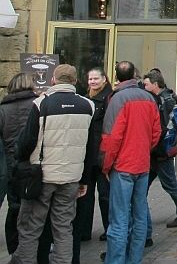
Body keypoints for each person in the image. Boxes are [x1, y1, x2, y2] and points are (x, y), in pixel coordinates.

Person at [11, 64, 94, 264]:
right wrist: (85, 179)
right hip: (71, 177)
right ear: (75, 81)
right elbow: (90, 145)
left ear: (53, 80)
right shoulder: (87, 105)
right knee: (64, 228)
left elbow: (27, 141)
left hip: (42, 176)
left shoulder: (41, 104)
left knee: (31, 227)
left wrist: (19, 160)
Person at [100, 61, 162, 264]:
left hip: (123, 165)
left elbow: (111, 138)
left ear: (117, 77)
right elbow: (156, 133)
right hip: (141, 163)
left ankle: (116, 260)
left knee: (119, 219)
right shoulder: (149, 98)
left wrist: (107, 165)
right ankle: (134, 259)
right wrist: (144, 149)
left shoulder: (117, 99)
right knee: (140, 215)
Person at [142, 70, 177, 242]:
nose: (144, 87)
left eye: (146, 84)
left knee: (168, 182)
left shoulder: (163, 100)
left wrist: (156, 146)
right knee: (151, 183)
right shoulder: (167, 98)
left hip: (160, 150)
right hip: (160, 150)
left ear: (155, 84)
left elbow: (163, 127)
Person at [73, 67, 112, 247]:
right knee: (85, 195)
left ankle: (109, 229)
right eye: (90, 79)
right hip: (87, 154)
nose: (93, 82)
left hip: (101, 154)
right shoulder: (84, 99)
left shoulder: (108, 99)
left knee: (105, 195)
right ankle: (83, 230)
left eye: (96, 78)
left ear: (104, 79)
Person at [0, 72, 38, 254]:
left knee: (14, 207)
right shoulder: (36, 105)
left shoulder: (3, 109)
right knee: (34, 208)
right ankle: (30, 250)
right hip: (33, 163)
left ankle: (14, 250)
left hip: (10, 165)